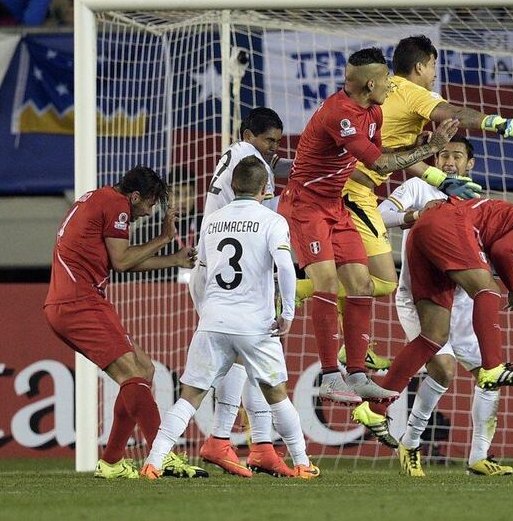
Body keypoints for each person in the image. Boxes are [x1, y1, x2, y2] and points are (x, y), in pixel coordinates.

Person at [277, 46, 462, 404]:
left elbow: (388, 159)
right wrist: (431, 148)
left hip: (336, 205)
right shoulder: (340, 114)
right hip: (305, 206)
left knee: (361, 284)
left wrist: (415, 144)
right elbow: (378, 166)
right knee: (327, 282)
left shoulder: (373, 111)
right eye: (388, 82)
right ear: (371, 83)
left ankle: (358, 373)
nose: (392, 87)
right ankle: (331, 375)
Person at [353, 197, 513, 448]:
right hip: (448, 224)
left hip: (425, 235)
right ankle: (492, 367)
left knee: (433, 337)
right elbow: (502, 249)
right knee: (488, 289)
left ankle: (374, 409)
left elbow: (500, 247)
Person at [331, 35, 513, 341]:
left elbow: (397, 157)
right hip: (351, 190)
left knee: (362, 275)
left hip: (346, 185)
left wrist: (440, 180)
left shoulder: (384, 89)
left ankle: (349, 346)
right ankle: (310, 294)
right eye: (433, 65)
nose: (435, 73)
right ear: (420, 66)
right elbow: (454, 114)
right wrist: (494, 122)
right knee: (380, 279)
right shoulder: (415, 94)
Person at [141, 157, 319, 479]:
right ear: (266, 188)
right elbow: (285, 267)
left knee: (190, 398)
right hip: (255, 324)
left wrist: (207, 311)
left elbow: (202, 271)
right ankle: (303, 463)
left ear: (233, 186)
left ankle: (153, 462)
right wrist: (288, 312)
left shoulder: (212, 220)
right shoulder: (272, 220)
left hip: (213, 320)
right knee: (277, 393)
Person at [43, 166, 203, 479]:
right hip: (78, 303)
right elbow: (122, 260)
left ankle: (112, 462)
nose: (150, 210)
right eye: (150, 202)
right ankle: (163, 455)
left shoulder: (100, 199)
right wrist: (165, 238)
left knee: (143, 370)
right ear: (134, 196)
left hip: (75, 302)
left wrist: (174, 259)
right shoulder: (115, 205)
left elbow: (123, 263)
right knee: (133, 373)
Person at [376, 136, 513, 476]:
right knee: (443, 369)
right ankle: (410, 443)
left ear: (471, 164)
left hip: (465, 304)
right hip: (422, 299)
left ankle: (478, 457)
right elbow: (380, 215)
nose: (449, 161)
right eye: (443, 155)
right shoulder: (418, 187)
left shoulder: (478, 202)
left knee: (489, 376)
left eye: (457, 156)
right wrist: (415, 215)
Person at [198, 107, 299, 478]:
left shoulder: (238, 155)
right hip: (232, 271)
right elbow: (269, 202)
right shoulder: (253, 161)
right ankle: (225, 439)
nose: (273, 148)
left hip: (216, 266)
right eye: (269, 140)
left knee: (244, 357)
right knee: (246, 352)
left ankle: (260, 446)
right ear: (248, 134)